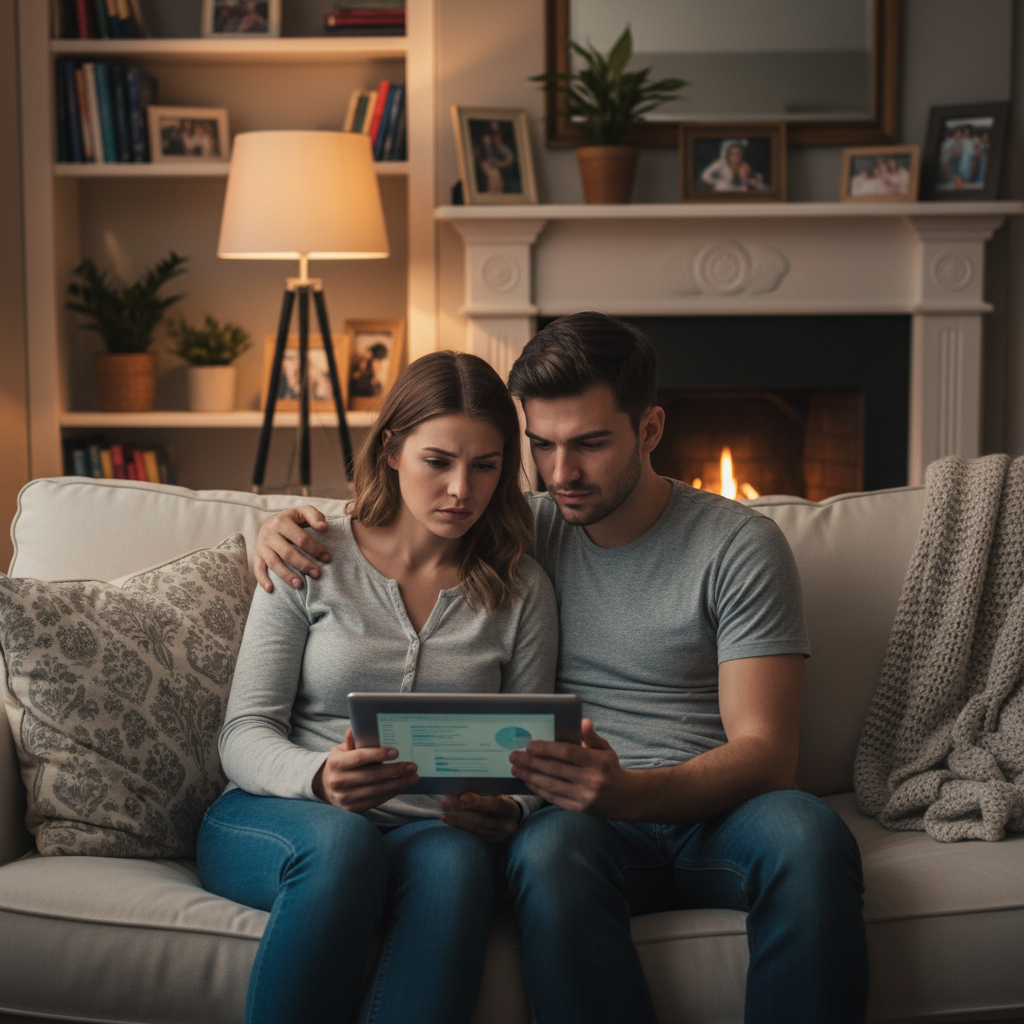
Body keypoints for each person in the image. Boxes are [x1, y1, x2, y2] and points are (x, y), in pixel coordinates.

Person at [252, 313, 869, 1024]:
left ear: (650, 429)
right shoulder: (529, 528)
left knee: (808, 834)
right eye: (542, 446)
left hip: (715, 816)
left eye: (590, 444)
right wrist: (282, 528)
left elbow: (768, 753)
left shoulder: (740, 546)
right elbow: (403, 517)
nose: (562, 473)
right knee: (546, 855)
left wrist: (628, 791)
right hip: (581, 824)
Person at [197, 350, 558, 1024]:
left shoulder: (521, 589)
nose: (461, 489)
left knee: (460, 867)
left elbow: (532, 757)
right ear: (391, 450)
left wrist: (509, 809)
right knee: (346, 844)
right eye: (437, 461)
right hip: (278, 813)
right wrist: (319, 778)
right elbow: (242, 733)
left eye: (486, 465)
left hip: (433, 830)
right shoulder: (309, 555)